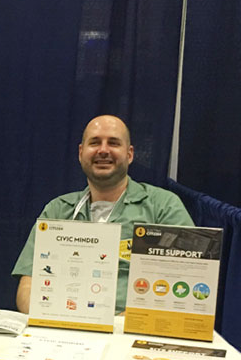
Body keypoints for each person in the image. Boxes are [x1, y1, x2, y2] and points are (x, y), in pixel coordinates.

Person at [12, 115, 194, 313]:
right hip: (63, 328)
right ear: (81, 153)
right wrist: (48, 319)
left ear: (130, 154)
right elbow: (28, 285)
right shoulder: (57, 210)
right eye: (95, 142)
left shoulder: (163, 207)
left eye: (114, 143)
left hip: (131, 332)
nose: (104, 150)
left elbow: (184, 282)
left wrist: (122, 326)